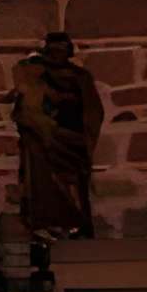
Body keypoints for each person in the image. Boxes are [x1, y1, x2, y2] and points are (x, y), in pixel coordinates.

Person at [12, 30, 104, 248]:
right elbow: (25, 109)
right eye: (53, 49)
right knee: (42, 176)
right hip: (41, 140)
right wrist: (42, 127)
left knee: (73, 180)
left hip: (72, 140)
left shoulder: (80, 78)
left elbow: (93, 112)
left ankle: (76, 226)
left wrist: (82, 139)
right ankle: (45, 226)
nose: (57, 54)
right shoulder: (34, 74)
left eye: (61, 49)